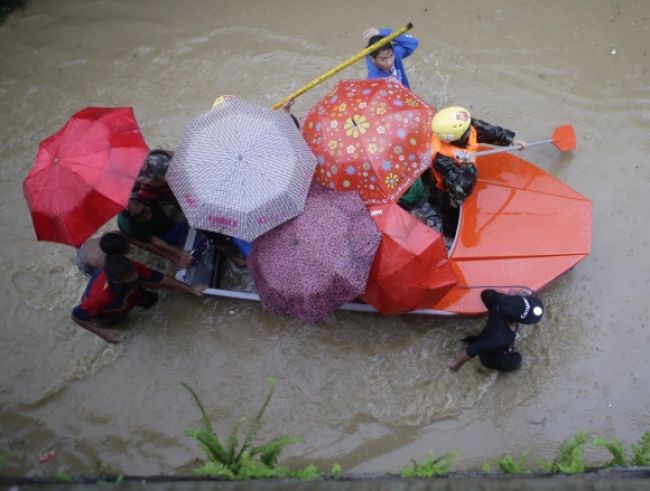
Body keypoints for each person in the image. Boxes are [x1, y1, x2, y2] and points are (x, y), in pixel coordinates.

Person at [427, 106, 527, 236]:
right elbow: (463, 188)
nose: (472, 129)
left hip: (458, 171)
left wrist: (510, 140)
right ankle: (450, 232)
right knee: (451, 212)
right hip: (448, 188)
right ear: (455, 138)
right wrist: (469, 167)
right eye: (468, 129)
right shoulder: (441, 158)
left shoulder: (464, 128)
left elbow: (486, 131)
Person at [71, 254, 206, 344]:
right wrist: (104, 335)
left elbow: (159, 278)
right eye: (130, 274)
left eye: (134, 271)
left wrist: (190, 288)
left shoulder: (130, 268)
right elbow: (76, 316)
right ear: (118, 280)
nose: (136, 274)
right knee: (124, 328)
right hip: (108, 313)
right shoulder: (99, 298)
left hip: (131, 295)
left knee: (153, 299)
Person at [448, 289, 544, 372]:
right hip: (491, 356)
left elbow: (485, 294)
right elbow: (472, 349)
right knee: (517, 360)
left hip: (492, 332)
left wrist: (521, 297)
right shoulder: (500, 338)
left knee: (486, 339)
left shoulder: (499, 300)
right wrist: (455, 365)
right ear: (513, 320)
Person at [117, 196, 191, 268]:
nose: (147, 216)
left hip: (167, 221)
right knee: (175, 246)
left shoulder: (146, 196)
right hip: (154, 235)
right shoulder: (130, 226)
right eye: (140, 216)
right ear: (133, 218)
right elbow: (151, 243)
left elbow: (171, 198)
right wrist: (176, 254)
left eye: (144, 211)